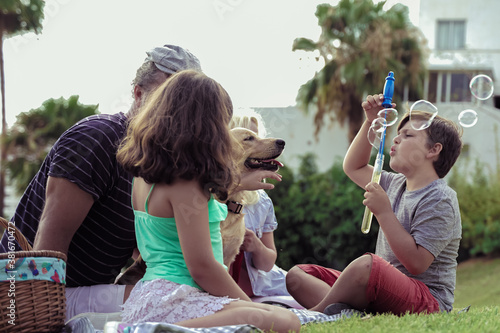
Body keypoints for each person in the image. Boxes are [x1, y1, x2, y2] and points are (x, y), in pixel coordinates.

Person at [0, 44, 282, 319]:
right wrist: (34, 316)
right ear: (138, 93)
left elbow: (163, 240)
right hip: (33, 295)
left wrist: (236, 183)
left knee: (181, 294)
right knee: (175, 297)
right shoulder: (96, 138)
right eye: (169, 98)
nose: (179, 111)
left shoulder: (158, 160)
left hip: (82, 290)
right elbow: (50, 240)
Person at [117, 70, 300, 332]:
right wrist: (248, 307)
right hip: (179, 297)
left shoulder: (145, 177)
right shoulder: (186, 183)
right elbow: (202, 267)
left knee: (272, 313)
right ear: (204, 126)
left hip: (150, 296)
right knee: (283, 320)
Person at [286, 93, 463, 316]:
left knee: (368, 266)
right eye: (397, 134)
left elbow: (417, 264)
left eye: (407, 135)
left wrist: (383, 212)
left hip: (427, 300)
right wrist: (370, 121)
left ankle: (315, 316)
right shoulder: (393, 183)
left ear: (433, 150)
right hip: (382, 288)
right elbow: (354, 167)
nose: (396, 139)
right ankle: (346, 315)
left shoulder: (440, 199)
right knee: (298, 276)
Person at [227, 109, 290, 298]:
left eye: (258, 136)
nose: (265, 143)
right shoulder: (206, 199)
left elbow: (268, 262)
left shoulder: (262, 200)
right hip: (228, 294)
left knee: (300, 280)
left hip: (265, 288)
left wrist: (256, 246)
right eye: (249, 139)